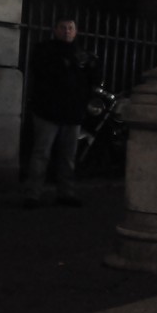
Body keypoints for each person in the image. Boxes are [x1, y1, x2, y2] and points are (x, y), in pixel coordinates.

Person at [24, 16, 100, 208]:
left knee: (67, 155)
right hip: (47, 110)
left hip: (72, 112)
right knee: (42, 153)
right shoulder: (45, 49)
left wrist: (91, 66)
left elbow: (93, 81)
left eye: (70, 28)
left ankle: (65, 192)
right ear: (55, 30)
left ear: (76, 31)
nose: (67, 31)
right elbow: (44, 73)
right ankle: (33, 194)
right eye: (63, 27)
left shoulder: (81, 53)